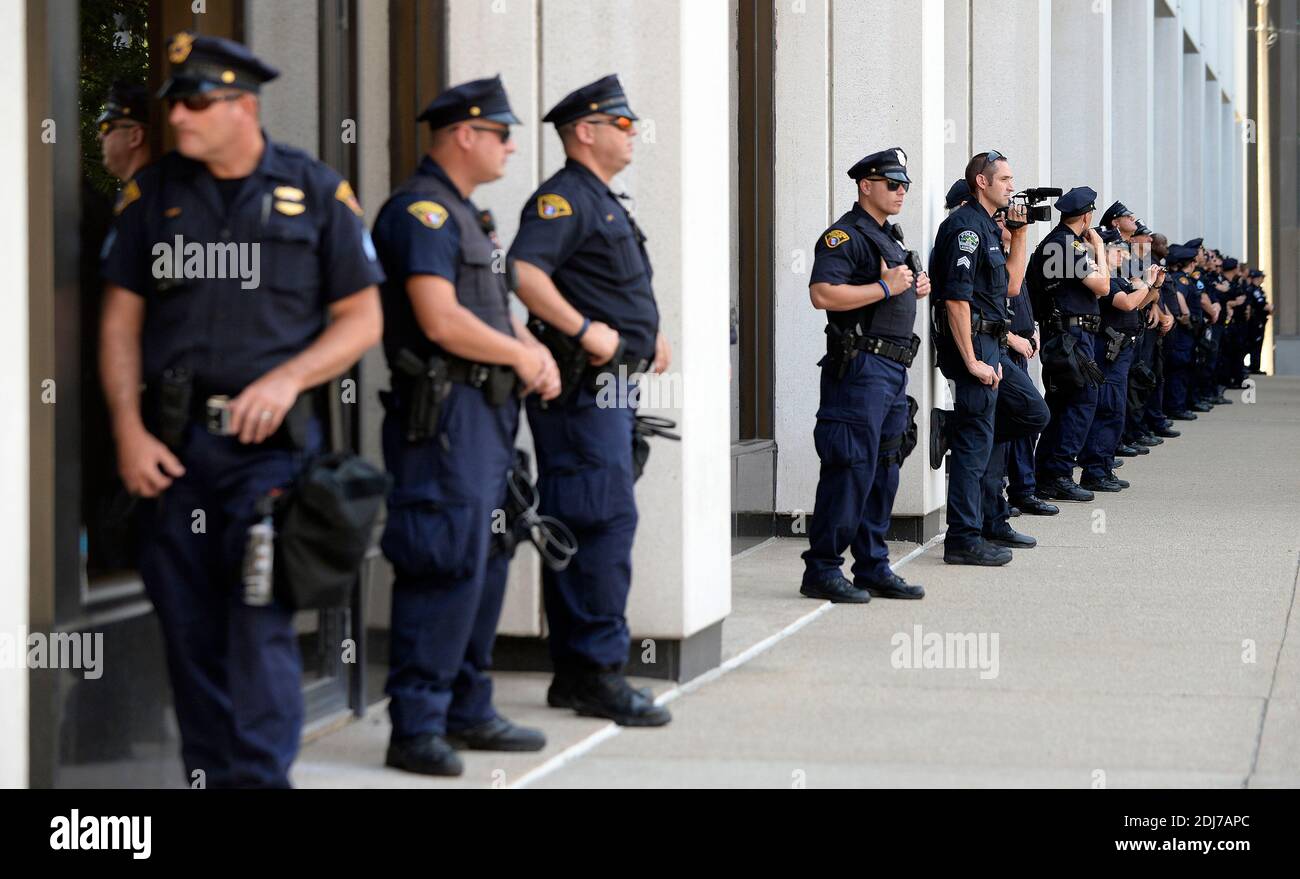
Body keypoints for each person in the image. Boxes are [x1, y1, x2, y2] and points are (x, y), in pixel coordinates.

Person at [99, 33, 384, 787]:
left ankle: (259, 781)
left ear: (244, 106)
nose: (179, 118)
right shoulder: (151, 195)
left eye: (195, 103)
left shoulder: (316, 191)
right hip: (173, 452)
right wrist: (128, 432)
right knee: (190, 638)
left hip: (270, 458)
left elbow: (362, 318)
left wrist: (289, 378)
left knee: (258, 632)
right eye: (174, 104)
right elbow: (120, 325)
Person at [372, 76, 561, 777]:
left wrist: (530, 349)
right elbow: (440, 319)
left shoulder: (467, 216)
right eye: (501, 134)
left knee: (488, 557)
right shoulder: (419, 213)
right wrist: (521, 352)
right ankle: (415, 723)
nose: (511, 146)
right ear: (464, 135)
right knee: (441, 560)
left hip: (485, 415)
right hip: (444, 420)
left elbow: (491, 309)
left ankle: (467, 705)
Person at [509, 75, 673, 727]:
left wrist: (646, 330)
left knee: (590, 521)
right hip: (582, 394)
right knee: (600, 522)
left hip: (612, 388)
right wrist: (582, 330)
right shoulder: (562, 200)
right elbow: (521, 272)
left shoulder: (602, 199)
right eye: (622, 125)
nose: (632, 134)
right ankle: (597, 673)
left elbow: (609, 282)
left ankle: (576, 674)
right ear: (585, 131)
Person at [798, 147, 929, 601]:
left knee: (886, 467)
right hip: (860, 369)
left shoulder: (887, 237)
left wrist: (911, 289)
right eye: (893, 184)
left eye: (905, 186)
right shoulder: (845, 236)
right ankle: (823, 569)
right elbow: (822, 294)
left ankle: (872, 564)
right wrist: (884, 287)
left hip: (892, 369)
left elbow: (888, 291)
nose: (901, 192)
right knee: (850, 467)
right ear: (865, 185)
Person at [930, 151, 1048, 565]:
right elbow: (956, 301)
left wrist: (1020, 234)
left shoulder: (988, 227)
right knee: (975, 444)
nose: (1012, 187)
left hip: (994, 343)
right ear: (982, 182)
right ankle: (964, 538)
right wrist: (972, 361)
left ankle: (990, 514)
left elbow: (1013, 286)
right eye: (1005, 179)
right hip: (975, 346)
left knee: (1033, 413)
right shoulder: (964, 229)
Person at [1029, 185, 1111, 503]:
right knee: (1081, 401)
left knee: (1063, 404)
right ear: (1087, 215)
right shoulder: (1065, 246)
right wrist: (1100, 248)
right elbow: (1103, 286)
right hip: (1071, 337)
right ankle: (1058, 474)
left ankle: (1047, 475)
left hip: (1065, 335)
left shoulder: (1060, 244)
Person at [1076, 227, 1162, 492]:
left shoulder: (1119, 277)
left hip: (1122, 350)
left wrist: (1153, 285)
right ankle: (1095, 470)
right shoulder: (1106, 279)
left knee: (1116, 410)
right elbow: (1125, 304)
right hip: (1109, 350)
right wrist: (1146, 284)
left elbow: (1139, 303)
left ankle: (1104, 465)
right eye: (1116, 251)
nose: (1121, 256)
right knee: (1108, 407)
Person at [97, 80, 153, 183]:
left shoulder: (165, 191)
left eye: (106, 127)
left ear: (136, 136)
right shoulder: (140, 188)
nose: (100, 136)